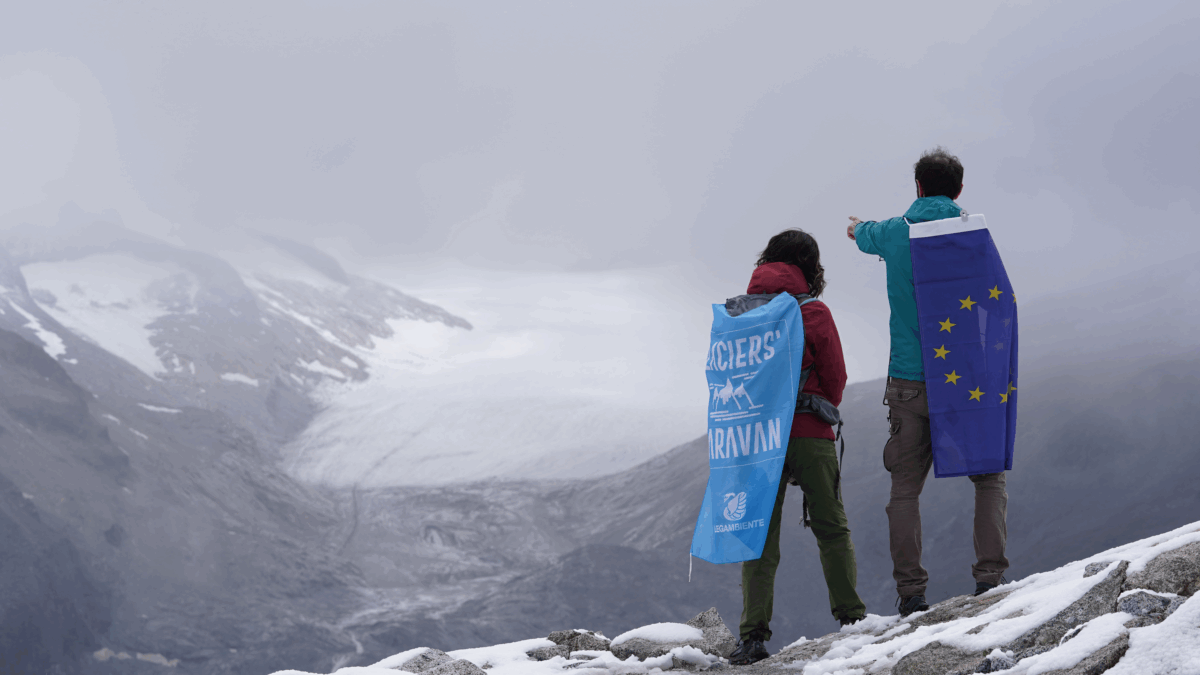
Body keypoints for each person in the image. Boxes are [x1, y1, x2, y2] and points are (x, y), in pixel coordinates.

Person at [846, 147, 1009, 618]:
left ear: (917, 186)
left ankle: (912, 594)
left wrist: (857, 227)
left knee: (904, 490)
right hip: (967, 380)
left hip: (909, 379)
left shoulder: (894, 232)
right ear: (959, 190)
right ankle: (989, 580)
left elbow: (862, 233)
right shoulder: (973, 234)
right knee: (988, 479)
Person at [728, 229, 866, 667]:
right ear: (810, 266)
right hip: (808, 432)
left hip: (756, 439)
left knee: (759, 537)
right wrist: (815, 408)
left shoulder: (740, 313)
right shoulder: (813, 312)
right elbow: (836, 377)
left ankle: (752, 637)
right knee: (831, 528)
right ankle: (851, 619)